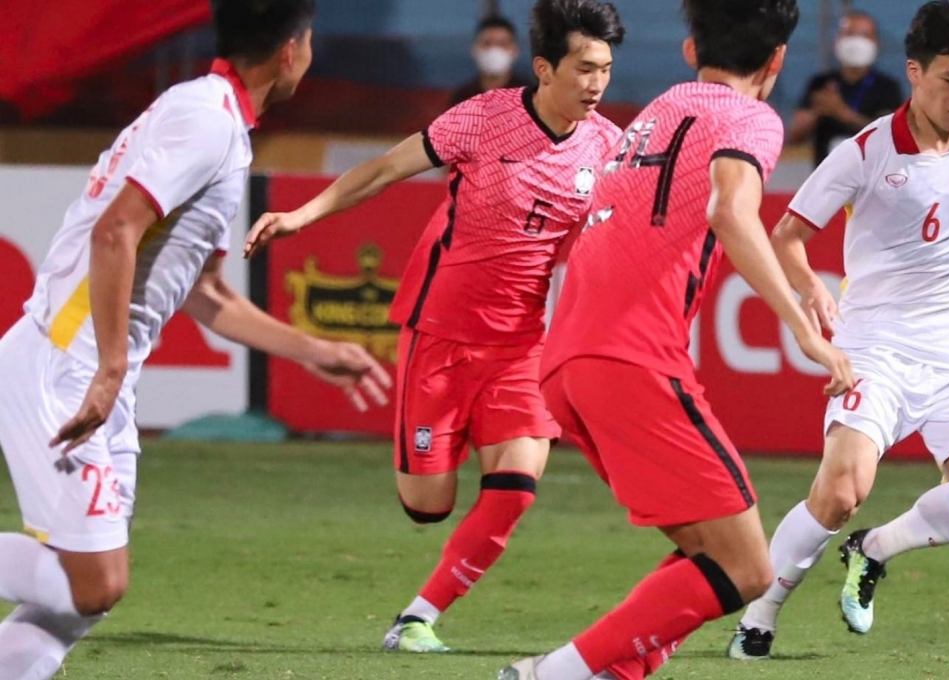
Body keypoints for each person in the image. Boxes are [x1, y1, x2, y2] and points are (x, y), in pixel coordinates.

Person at [0, 2, 393, 678]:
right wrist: (111, 367)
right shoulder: (205, 121)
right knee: (95, 581)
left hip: (93, 373)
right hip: (66, 366)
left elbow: (206, 295)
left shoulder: (216, 123)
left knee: (77, 604)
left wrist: (314, 351)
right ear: (290, 50)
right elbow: (114, 232)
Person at [243, 0, 624, 656]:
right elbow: (387, 168)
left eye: (606, 69)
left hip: (522, 345)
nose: (597, 83)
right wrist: (304, 215)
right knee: (428, 504)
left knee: (515, 490)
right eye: (584, 68)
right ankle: (440, 464)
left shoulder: (607, 147)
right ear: (543, 67)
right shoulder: (483, 119)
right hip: (441, 333)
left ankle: (417, 616)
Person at [499, 1, 857, 679]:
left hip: (567, 360)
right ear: (778, 60)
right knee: (750, 567)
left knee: (709, 550)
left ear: (691, 50)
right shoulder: (750, 116)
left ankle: (614, 672)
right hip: (630, 358)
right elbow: (731, 210)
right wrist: (804, 328)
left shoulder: (659, 108)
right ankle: (552, 674)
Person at [727, 0, 949, 660]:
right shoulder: (866, 151)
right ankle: (763, 608)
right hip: (875, 350)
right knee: (839, 492)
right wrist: (810, 288)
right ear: (915, 72)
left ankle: (875, 550)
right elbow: (787, 235)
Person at [788, 9, 904, 167]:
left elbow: (891, 136)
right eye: (850, 34)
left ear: (876, 42)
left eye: (864, 36)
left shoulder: (887, 88)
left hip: (872, 181)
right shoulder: (821, 84)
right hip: (826, 179)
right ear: (837, 40)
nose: (856, 41)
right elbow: (794, 137)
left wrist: (843, 113)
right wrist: (816, 112)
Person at [450, 14, 533, 106]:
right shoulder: (463, 96)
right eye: (487, 43)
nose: (494, 50)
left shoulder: (530, 96)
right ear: (473, 49)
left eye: (502, 44)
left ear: (515, 51)